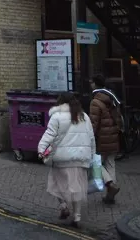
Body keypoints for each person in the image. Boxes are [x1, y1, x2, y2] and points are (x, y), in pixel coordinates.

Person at [38, 92, 95, 228]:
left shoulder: (57, 116)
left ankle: (63, 206)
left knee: (56, 183)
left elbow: (49, 134)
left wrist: (41, 149)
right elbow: (91, 137)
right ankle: (77, 217)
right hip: (80, 158)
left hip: (61, 158)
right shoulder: (84, 116)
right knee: (76, 188)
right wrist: (92, 154)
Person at [89, 74, 121, 204]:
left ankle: (110, 184)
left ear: (95, 84)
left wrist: (89, 138)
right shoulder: (111, 97)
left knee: (95, 163)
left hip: (102, 139)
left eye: (92, 82)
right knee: (110, 163)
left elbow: (94, 123)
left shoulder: (95, 101)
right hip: (113, 136)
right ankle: (110, 195)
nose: (90, 84)